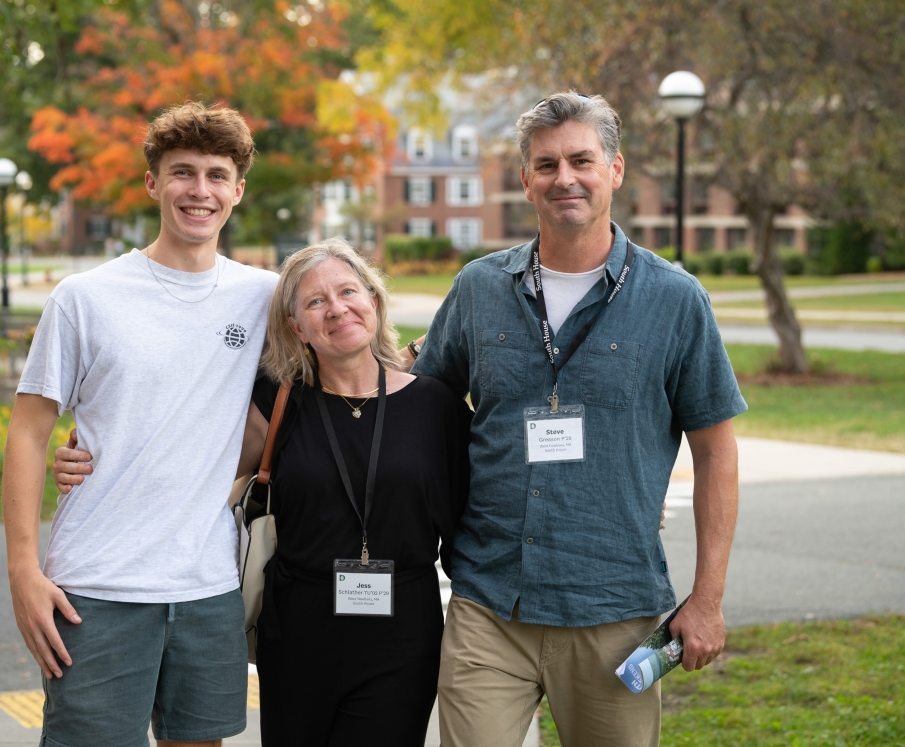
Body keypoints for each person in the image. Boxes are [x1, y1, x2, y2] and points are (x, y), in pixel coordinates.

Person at [414, 91, 746, 747]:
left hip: (613, 608)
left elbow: (716, 452)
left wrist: (706, 598)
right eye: (547, 164)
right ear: (525, 180)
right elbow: (423, 410)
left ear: (615, 170)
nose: (564, 177)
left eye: (581, 160)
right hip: (489, 599)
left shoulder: (676, 300)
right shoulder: (478, 289)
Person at [54, 239, 472, 746]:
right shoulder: (276, 403)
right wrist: (94, 453)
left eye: (348, 291)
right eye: (315, 302)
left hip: (403, 631)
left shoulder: (435, 405)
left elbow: (472, 517)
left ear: (375, 301)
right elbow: (191, 466)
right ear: (297, 327)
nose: (337, 308)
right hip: (298, 630)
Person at [2, 101, 277, 747]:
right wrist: (22, 569)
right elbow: (28, 430)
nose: (199, 190)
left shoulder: (265, 296)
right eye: (183, 172)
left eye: (216, 175)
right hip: (96, 585)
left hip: (209, 586)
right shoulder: (87, 296)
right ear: (153, 182)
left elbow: (340, 359)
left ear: (238, 190)